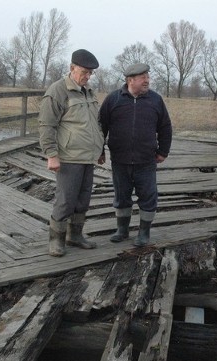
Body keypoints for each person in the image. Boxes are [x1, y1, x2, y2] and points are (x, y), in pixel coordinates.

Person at [38, 49, 106, 257]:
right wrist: (51, 154)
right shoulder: (58, 91)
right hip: (68, 157)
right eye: (84, 72)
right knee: (66, 199)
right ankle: (56, 241)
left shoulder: (89, 92)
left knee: (83, 199)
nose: (87, 76)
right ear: (72, 68)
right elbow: (46, 125)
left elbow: (96, 125)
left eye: (90, 73)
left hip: (88, 156)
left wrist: (100, 150)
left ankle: (74, 235)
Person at [99, 63, 172, 247]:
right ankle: (122, 230)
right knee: (121, 196)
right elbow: (101, 127)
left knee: (148, 196)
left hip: (146, 160)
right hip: (120, 160)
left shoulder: (155, 100)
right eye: (143, 77)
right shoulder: (113, 99)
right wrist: (99, 150)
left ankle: (143, 232)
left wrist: (163, 151)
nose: (147, 80)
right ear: (131, 80)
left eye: (147, 76)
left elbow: (165, 126)